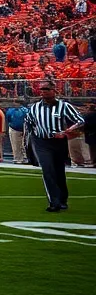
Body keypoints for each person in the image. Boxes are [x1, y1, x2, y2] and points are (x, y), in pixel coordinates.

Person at [24, 80, 86, 211]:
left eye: (46, 89)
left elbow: (80, 121)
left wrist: (67, 131)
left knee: (59, 171)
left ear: (54, 90)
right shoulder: (34, 108)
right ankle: (54, 202)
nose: (44, 92)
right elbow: (29, 123)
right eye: (41, 89)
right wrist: (31, 139)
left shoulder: (64, 106)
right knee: (47, 170)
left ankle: (63, 199)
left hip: (58, 142)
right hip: (41, 142)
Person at [6, 99, 29, 164]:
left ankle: (26, 157)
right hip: (13, 128)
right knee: (15, 145)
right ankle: (17, 158)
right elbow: (8, 119)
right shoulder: (10, 110)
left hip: (24, 128)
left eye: (16, 102)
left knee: (25, 144)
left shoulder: (25, 110)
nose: (14, 103)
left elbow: (28, 119)